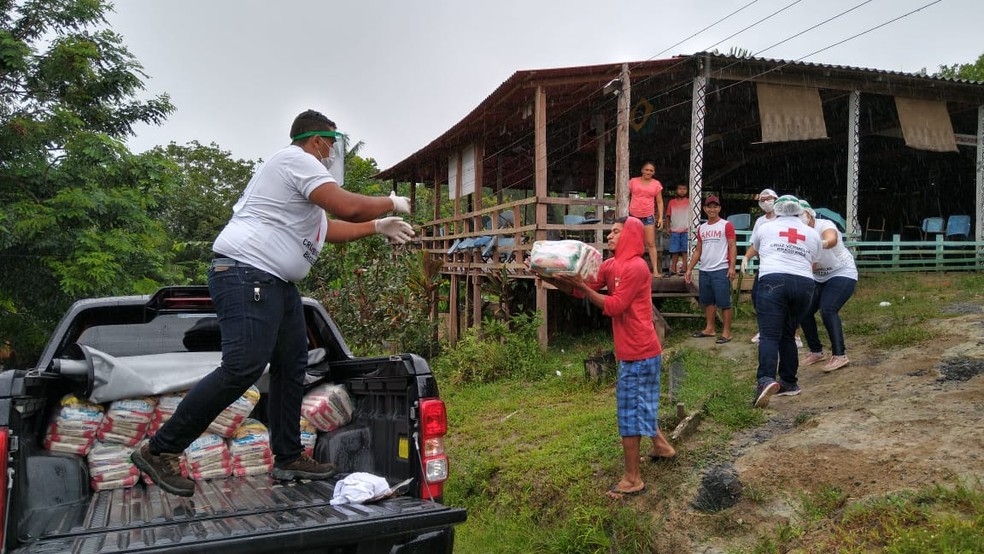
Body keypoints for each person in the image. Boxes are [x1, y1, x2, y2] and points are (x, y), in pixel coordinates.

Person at [132, 109, 415, 497]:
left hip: (274, 282)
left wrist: (377, 228)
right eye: (331, 145)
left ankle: (288, 456)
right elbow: (346, 206)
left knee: (291, 362)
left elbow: (330, 229)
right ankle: (160, 448)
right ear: (317, 141)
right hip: (246, 272)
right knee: (242, 366)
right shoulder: (295, 160)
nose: (333, 153)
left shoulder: (303, 193)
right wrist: (390, 203)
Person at [537, 217, 675, 499]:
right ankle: (662, 446)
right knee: (642, 404)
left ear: (631, 235)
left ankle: (632, 478)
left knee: (629, 412)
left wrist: (584, 288)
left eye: (615, 231)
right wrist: (554, 279)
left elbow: (614, 305)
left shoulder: (637, 267)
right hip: (638, 351)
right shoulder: (611, 265)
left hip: (639, 352)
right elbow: (583, 287)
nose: (610, 236)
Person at [748, 195, 821, 408]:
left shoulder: (765, 227)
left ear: (777, 211)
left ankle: (766, 380)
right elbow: (814, 263)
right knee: (788, 334)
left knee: (769, 335)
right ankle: (789, 382)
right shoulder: (811, 233)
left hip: (773, 280)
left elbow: (760, 251)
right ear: (799, 211)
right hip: (805, 284)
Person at [797, 200, 857, 375]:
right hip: (819, 276)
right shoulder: (799, 233)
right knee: (804, 310)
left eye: (802, 214)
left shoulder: (825, 224)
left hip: (842, 272)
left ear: (809, 213)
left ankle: (840, 355)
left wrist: (818, 244)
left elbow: (831, 239)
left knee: (828, 308)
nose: (799, 218)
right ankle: (816, 351)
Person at [744, 188, 803, 348]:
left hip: (787, 265)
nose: (766, 202)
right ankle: (764, 329)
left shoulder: (786, 219)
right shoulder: (760, 222)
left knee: (790, 301)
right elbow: (754, 244)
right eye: (762, 200)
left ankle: (794, 333)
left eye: (769, 198)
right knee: (758, 297)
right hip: (766, 267)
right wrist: (746, 257)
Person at [684, 195, 737, 344]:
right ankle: (710, 328)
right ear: (705, 209)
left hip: (721, 268)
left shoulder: (726, 225)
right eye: (709, 207)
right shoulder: (702, 228)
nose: (712, 209)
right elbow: (698, 250)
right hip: (705, 269)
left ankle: (727, 332)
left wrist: (732, 267)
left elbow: (732, 245)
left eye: (715, 206)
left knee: (724, 302)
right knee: (708, 301)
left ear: (719, 208)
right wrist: (689, 269)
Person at [627, 161, 665, 278]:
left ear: (653, 173)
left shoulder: (656, 184)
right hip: (633, 216)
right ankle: (633, 271)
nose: (648, 172)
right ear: (642, 170)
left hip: (648, 216)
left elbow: (659, 201)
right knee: (634, 244)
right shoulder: (633, 182)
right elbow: (625, 196)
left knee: (650, 243)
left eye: (651, 170)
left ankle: (655, 271)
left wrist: (660, 217)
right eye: (647, 170)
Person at [665, 183, 690, 276]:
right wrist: (667, 227)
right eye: (680, 188)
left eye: (684, 189)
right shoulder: (672, 202)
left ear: (687, 190)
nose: (682, 191)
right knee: (674, 250)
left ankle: (684, 268)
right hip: (674, 230)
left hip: (686, 230)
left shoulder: (690, 202)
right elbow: (668, 216)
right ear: (676, 190)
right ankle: (673, 269)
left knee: (685, 250)